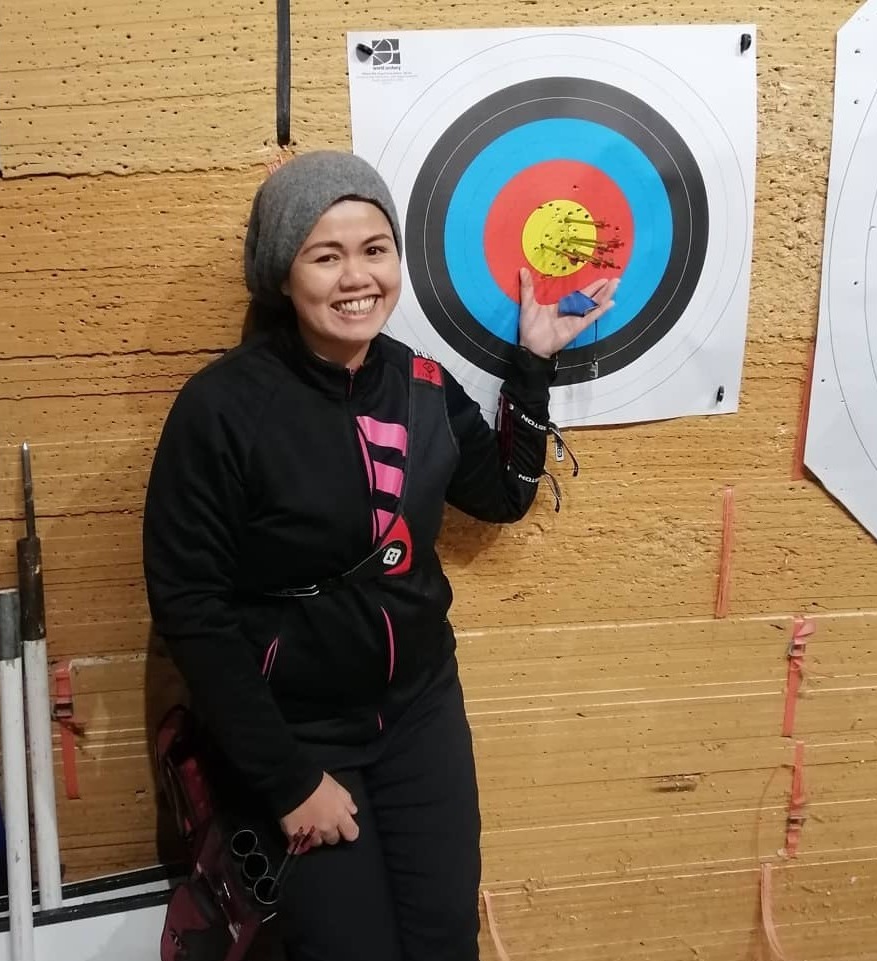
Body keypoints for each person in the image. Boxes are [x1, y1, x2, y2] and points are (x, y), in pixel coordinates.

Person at [143, 150, 617, 961]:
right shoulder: (220, 409)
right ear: (281, 274)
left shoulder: (420, 383)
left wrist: (533, 361)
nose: (356, 277)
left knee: (445, 940)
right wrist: (288, 780)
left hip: (420, 717)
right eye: (324, 256)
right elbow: (190, 606)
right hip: (297, 733)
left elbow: (502, 493)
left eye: (374, 249)